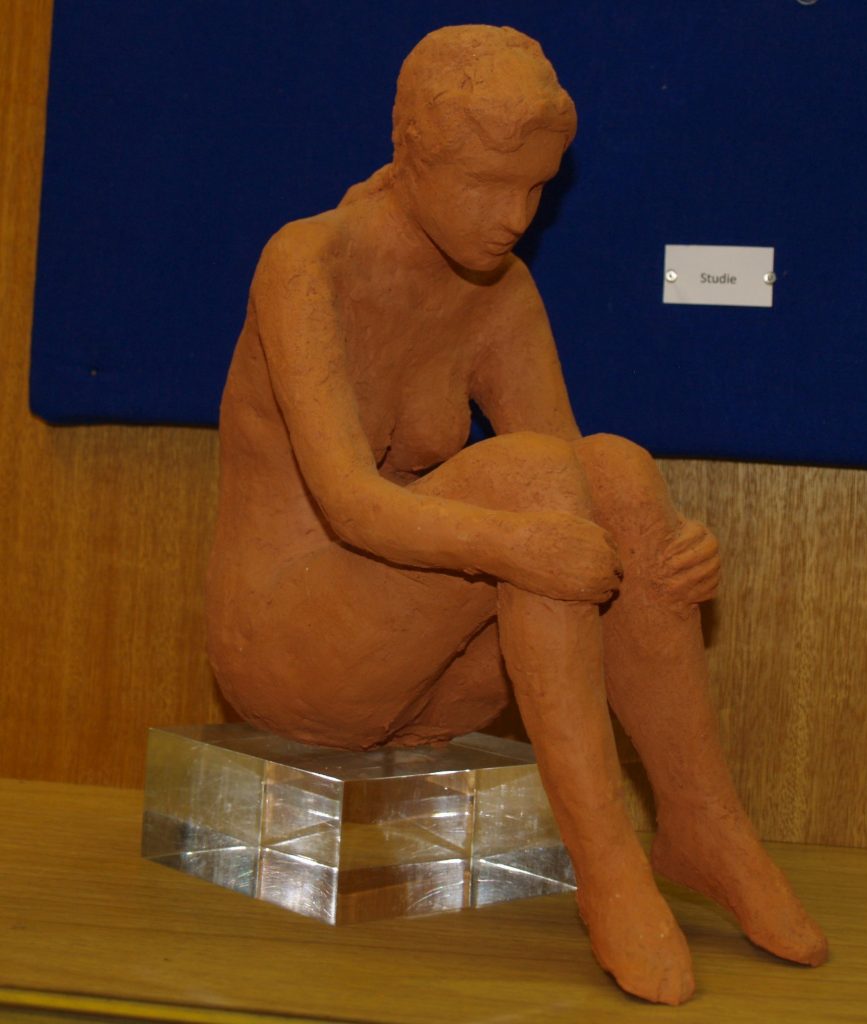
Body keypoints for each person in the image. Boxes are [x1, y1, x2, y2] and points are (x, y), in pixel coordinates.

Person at [207, 25, 826, 1005]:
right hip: (296, 650)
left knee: (617, 472)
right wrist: (518, 540)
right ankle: (608, 867)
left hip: (431, 681)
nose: (515, 218)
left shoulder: (501, 290)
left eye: (536, 189)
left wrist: (662, 552)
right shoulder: (307, 262)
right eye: (489, 186)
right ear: (414, 153)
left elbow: (583, 488)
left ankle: (703, 825)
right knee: (532, 484)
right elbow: (349, 501)